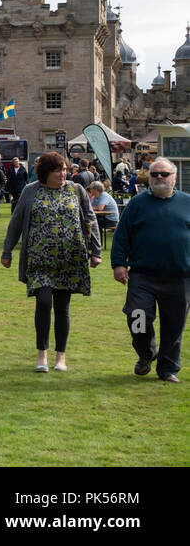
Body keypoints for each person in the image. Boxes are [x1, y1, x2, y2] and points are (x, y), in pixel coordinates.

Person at [0, 151, 102, 373]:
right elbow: (16, 222)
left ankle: (61, 357)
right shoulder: (30, 191)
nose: (63, 174)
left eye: (65, 169)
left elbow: (89, 219)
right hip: (39, 260)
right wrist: (7, 251)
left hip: (70, 260)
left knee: (62, 308)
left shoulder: (76, 190)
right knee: (44, 301)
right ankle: (42, 354)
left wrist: (96, 251)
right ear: (45, 172)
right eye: (58, 170)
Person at [111, 157, 190, 382]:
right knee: (137, 318)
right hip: (142, 275)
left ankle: (168, 369)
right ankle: (146, 353)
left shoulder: (187, 203)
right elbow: (122, 235)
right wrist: (118, 264)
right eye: (154, 174)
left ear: (174, 178)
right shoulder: (137, 203)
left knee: (174, 326)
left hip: (180, 276)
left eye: (164, 174)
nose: (158, 178)